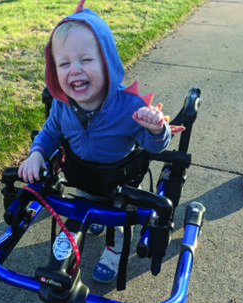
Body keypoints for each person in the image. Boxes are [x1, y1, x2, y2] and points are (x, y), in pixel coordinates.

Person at [18, 3, 181, 283]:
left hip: (121, 184)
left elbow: (155, 147)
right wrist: (36, 153)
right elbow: (50, 133)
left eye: (86, 60)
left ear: (107, 62)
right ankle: (88, 228)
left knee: (116, 222)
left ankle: (113, 252)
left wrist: (156, 128)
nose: (75, 70)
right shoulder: (62, 105)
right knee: (86, 209)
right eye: (65, 63)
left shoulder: (129, 107)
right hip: (82, 178)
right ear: (54, 70)